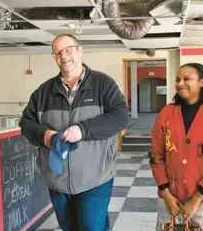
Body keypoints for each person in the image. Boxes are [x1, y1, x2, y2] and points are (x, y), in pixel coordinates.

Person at [19, 34, 129, 231]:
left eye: (68, 49)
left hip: (95, 177)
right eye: (58, 52)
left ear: (80, 50)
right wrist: (45, 136)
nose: (64, 56)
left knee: (89, 227)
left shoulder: (103, 84)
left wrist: (82, 130)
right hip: (57, 179)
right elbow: (26, 123)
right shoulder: (43, 92)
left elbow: (120, 117)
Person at [149, 63, 203, 231]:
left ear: (202, 82)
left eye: (187, 79)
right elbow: (156, 156)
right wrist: (166, 194)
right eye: (178, 79)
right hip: (170, 198)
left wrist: (196, 200)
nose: (180, 83)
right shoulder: (166, 113)